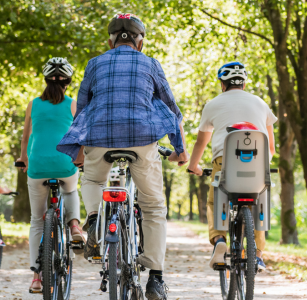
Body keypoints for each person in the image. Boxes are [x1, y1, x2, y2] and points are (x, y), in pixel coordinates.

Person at [56, 13, 188, 300]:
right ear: (140, 43)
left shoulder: (94, 63)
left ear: (110, 41)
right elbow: (171, 109)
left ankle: (94, 219)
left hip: (100, 138)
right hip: (142, 140)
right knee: (153, 206)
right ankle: (155, 278)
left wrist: (78, 146)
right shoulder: (151, 64)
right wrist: (180, 150)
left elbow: (83, 109)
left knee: (91, 180)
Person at [186, 62, 277, 272]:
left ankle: (219, 239)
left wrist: (193, 166)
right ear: (244, 83)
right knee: (259, 202)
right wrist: (263, 166)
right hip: (257, 164)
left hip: (223, 163)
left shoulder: (212, 104)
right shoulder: (261, 103)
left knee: (214, 199)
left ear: (222, 84)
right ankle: (259, 255)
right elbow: (270, 147)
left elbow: (201, 142)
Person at [15, 57, 84, 293]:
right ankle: (74, 225)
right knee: (71, 188)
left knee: (37, 221)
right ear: (68, 81)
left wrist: (23, 159)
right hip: (65, 164)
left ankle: (36, 277)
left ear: (45, 80)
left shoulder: (33, 104)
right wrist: (80, 158)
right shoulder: (73, 104)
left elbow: (26, 138)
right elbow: (80, 136)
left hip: (37, 167)